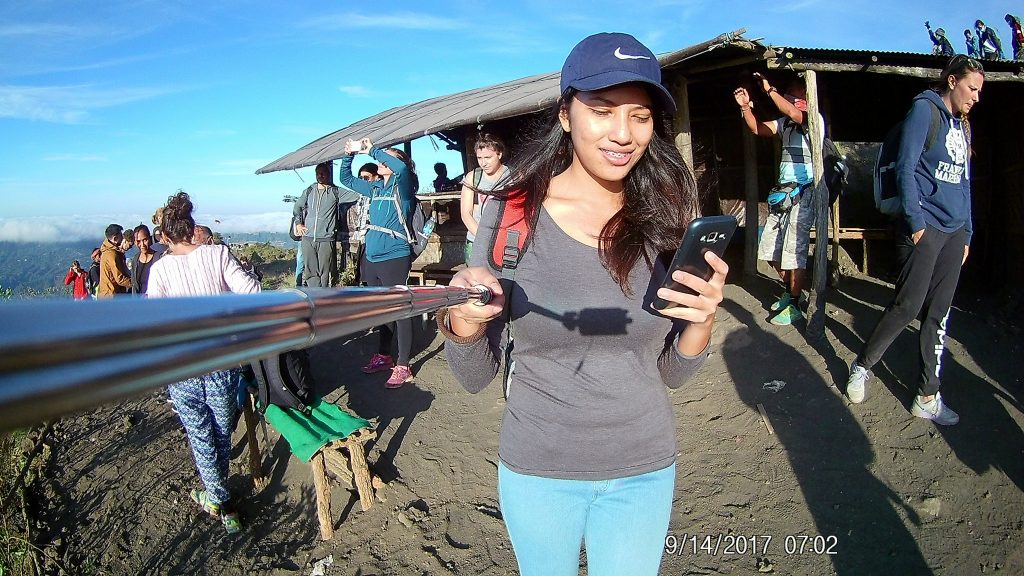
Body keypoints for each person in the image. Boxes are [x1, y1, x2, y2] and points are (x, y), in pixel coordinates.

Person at [441, 32, 726, 576]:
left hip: (645, 467)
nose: (623, 134)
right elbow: (476, 377)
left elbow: (672, 372)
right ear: (566, 115)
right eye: (601, 111)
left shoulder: (661, 216)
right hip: (540, 470)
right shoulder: (513, 215)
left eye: (639, 116)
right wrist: (463, 318)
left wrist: (701, 321)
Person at [845, 55, 984, 426]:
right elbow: (906, 166)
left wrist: (967, 232)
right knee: (908, 305)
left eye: (979, 91)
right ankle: (862, 365)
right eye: (972, 88)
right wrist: (916, 221)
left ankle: (927, 395)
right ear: (952, 81)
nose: (976, 97)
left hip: (954, 233)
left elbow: (965, 183)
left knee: (938, 313)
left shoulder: (962, 126)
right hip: (925, 227)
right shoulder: (925, 111)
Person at [146, 191, 261, 533]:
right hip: (222, 359)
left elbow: (153, 321)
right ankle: (219, 497)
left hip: (183, 364)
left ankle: (221, 503)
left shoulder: (161, 269)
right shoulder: (218, 255)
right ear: (192, 227)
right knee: (222, 430)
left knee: (201, 435)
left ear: (165, 236)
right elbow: (253, 292)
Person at [732, 73, 822, 326]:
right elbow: (757, 128)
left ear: (806, 98)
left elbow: (795, 113)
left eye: (795, 94)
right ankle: (790, 292)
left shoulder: (811, 119)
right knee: (770, 247)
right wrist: (745, 108)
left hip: (804, 192)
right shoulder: (786, 123)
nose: (791, 98)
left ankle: (794, 304)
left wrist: (770, 90)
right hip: (783, 192)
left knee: (795, 251)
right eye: (789, 93)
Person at [340, 141, 420, 388]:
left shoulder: (403, 187)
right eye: (381, 158)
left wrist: (374, 150)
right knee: (382, 309)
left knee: (400, 309)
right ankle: (384, 356)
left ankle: (403, 364)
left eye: (389, 158)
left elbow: (403, 171)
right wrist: (348, 155)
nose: (382, 160)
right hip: (372, 256)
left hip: (394, 255)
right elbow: (346, 179)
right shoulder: (376, 187)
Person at [293, 161, 361, 288]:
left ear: (328, 174)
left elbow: (356, 195)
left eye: (323, 173)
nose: (321, 176)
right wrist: (298, 223)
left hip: (326, 238)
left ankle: (323, 296)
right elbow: (297, 207)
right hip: (307, 238)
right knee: (310, 271)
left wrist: (365, 184)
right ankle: (314, 294)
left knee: (325, 271)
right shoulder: (309, 190)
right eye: (318, 173)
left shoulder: (335, 192)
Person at [459, 133, 512, 263]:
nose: (483, 163)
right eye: (479, 158)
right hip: (476, 240)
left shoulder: (513, 177)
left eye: (488, 157)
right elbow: (466, 213)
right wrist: (483, 237)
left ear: (499, 154)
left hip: (504, 241)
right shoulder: (473, 177)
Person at [97, 224, 132, 297]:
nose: (123, 238)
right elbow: (120, 278)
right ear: (115, 238)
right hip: (112, 295)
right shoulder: (112, 254)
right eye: (121, 236)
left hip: (106, 293)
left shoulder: (108, 252)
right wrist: (135, 283)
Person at [130, 224, 161, 295]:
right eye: (138, 241)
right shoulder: (135, 260)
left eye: (145, 240)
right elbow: (134, 286)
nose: (142, 244)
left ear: (150, 238)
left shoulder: (159, 258)